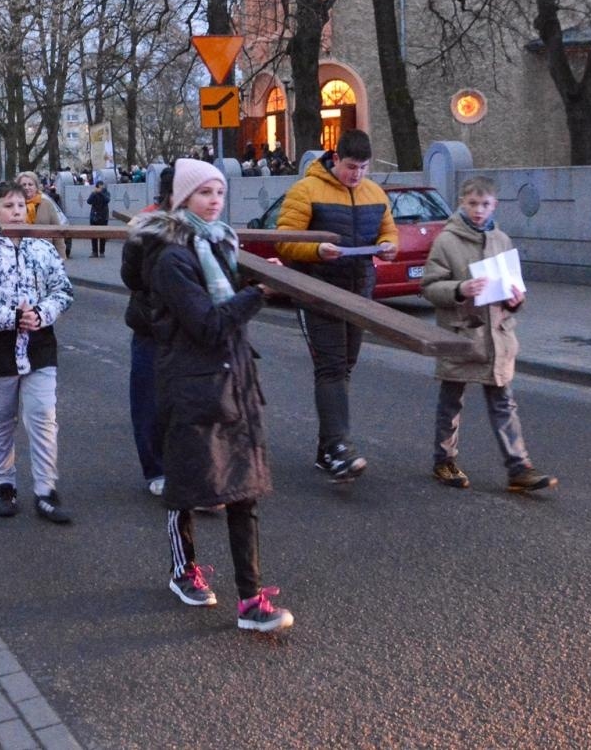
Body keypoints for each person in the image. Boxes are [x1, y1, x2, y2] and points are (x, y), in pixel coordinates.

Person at [133, 158, 292, 634]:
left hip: (233, 381)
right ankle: (184, 571)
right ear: (183, 198)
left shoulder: (216, 242)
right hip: (191, 387)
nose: (214, 200)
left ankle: (250, 599)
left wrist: (257, 284)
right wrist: (258, 294)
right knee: (187, 485)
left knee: (245, 490)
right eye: (204, 193)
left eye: (219, 192)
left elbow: (225, 302)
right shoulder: (169, 258)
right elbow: (206, 322)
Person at [420, 177, 558, 493]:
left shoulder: (502, 240)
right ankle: (444, 460)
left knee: (503, 404)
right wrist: (459, 288)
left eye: (485, 205)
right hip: (461, 335)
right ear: (461, 203)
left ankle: (519, 468)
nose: (479, 211)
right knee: (451, 402)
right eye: (472, 204)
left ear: (494, 205)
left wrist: (516, 299)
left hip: (497, 337)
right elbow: (429, 287)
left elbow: (515, 289)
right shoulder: (447, 241)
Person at [275, 130, 398, 483]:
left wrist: (389, 246)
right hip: (318, 289)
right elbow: (286, 241)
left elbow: (389, 231)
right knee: (330, 368)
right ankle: (340, 447)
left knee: (345, 367)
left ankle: (327, 450)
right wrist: (316, 250)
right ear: (335, 157)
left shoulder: (375, 193)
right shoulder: (306, 190)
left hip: (359, 291)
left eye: (362, 168)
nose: (356, 175)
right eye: (350, 167)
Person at [0, 180, 75, 524]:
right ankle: (5, 484)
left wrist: (41, 314)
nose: (17, 211)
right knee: (0, 420)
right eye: (8, 206)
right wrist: (9, 317)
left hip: (38, 344)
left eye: (21, 205)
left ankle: (46, 490)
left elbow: (62, 290)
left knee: (42, 417)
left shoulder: (41, 248)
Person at [120, 167, 174, 496]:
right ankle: (156, 469)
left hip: (191, 328)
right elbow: (132, 277)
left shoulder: (207, 224)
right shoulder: (145, 224)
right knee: (149, 401)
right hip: (151, 324)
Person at [87, 178, 111, 257]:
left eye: (102, 186)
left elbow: (107, 200)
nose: (101, 188)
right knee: (93, 235)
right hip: (94, 216)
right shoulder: (94, 193)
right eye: (99, 186)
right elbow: (89, 201)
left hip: (103, 216)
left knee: (103, 235)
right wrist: (94, 193)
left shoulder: (106, 193)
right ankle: (94, 252)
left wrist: (101, 193)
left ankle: (102, 252)